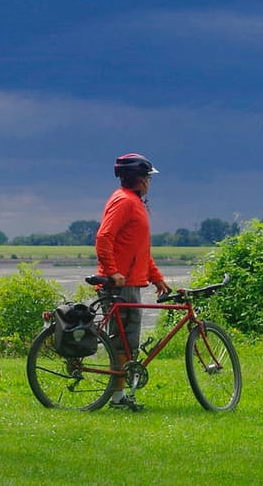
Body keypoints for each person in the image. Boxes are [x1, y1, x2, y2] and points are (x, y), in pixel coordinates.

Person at [95, 152, 171, 411]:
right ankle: (117, 399)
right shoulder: (124, 202)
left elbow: (140, 251)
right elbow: (104, 237)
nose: (150, 181)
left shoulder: (135, 203)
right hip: (120, 285)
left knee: (129, 342)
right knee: (121, 343)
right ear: (140, 179)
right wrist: (113, 271)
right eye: (148, 177)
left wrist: (156, 278)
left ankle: (122, 395)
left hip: (133, 283)